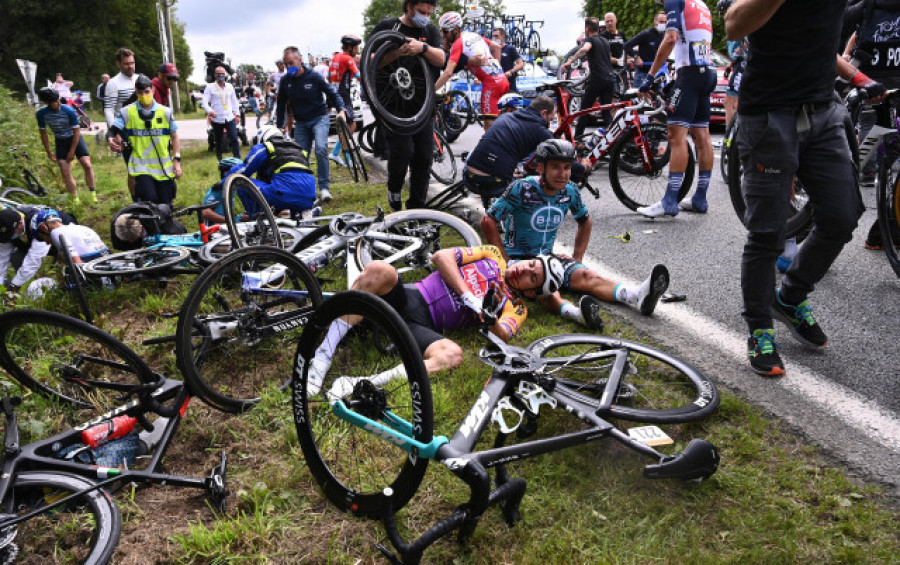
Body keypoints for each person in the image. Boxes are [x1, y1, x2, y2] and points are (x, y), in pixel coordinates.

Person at [725, 0, 884, 376]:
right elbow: (734, 25)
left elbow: (815, 40)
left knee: (842, 216)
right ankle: (760, 327)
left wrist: (859, 78)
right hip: (768, 113)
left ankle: (791, 296)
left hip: (823, 110)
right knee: (767, 232)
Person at [481, 139, 670, 327]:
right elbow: (488, 220)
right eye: (556, 167)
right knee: (547, 287)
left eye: (567, 167)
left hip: (547, 258)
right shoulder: (521, 188)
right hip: (519, 259)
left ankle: (636, 296)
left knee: (586, 275)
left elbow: (585, 221)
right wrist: (503, 260)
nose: (562, 174)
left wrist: (577, 258)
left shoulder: (570, 191)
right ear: (541, 168)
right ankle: (576, 314)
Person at [306, 244, 550, 389]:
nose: (524, 270)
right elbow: (441, 257)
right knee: (380, 270)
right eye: (531, 264)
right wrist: (468, 295)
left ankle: (361, 383)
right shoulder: (493, 255)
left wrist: (489, 315)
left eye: (532, 277)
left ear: (531, 291)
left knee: (452, 355)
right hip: (410, 297)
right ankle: (322, 355)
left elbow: (504, 334)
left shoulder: (517, 306)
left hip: (423, 326)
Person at [636, 0, 717, 217]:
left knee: (675, 136)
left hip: (689, 74)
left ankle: (670, 201)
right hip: (707, 72)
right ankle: (700, 198)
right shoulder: (700, 4)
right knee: (702, 136)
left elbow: (671, 38)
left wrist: (651, 75)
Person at [371, 0, 446, 211]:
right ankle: (394, 191)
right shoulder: (387, 27)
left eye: (429, 13)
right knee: (402, 151)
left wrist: (421, 47)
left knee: (424, 156)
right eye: (421, 11)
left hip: (423, 105)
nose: (425, 16)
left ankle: (417, 207)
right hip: (393, 106)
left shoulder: (429, 31)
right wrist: (397, 53)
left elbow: (441, 59)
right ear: (409, 6)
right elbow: (371, 61)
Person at [841, 0, 900, 249]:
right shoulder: (864, 9)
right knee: (872, 147)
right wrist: (846, 61)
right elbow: (848, 35)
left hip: (876, 87)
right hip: (870, 88)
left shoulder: (864, 7)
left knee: (886, 154)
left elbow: (849, 36)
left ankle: (886, 226)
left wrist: (845, 56)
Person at [276, 46, 347, 204]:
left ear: (300, 61)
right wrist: (279, 126)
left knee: (321, 149)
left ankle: (324, 188)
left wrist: (341, 109)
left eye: (291, 63)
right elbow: (280, 104)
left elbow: (331, 92)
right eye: (285, 64)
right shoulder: (285, 80)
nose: (288, 67)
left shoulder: (313, 76)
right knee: (301, 157)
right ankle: (307, 190)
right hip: (301, 122)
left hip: (319, 118)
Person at [463, 95, 556, 205]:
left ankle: (487, 203)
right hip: (496, 185)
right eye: (551, 119)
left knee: (482, 151)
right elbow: (561, 159)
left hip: (468, 177)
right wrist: (580, 170)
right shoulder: (541, 131)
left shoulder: (506, 117)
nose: (550, 123)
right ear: (544, 113)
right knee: (535, 189)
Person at [108, 74, 183, 206]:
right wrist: (111, 138)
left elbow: (175, 136)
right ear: (136, 92)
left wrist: (176, 161)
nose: (144, 95)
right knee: (150, 201)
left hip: (163, 168)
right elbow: (113, 129)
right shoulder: (127, 112)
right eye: (140, 92)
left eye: (147, 92)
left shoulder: (165, 112)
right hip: (141, 168)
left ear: (153, 90)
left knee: (166, 206)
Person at [222, 125, 317, 219]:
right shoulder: (299, 151)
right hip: (309, 196)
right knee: (282, 183)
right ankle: (300, 214)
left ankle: (259, 220)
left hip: (283, 194)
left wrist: (224, 181)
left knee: (242, 183)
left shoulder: (265, 148)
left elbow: (243, 170)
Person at [434, 11, 509, 131]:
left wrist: (433, 90)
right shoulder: (472, 35)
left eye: (445, 32)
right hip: (502, 80)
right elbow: (496, 47)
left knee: (489, 127)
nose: (443, 35)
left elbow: (448, 72)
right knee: (503, 123)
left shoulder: (458, 44)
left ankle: (495, 149)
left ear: (455, 30)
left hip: (491, 85)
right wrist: (497, 67)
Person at [35, 87, 98, 204]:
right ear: (47, 103)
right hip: (60, 141)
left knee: (87, 164)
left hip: (75, 138)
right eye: (54, 102)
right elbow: (43, 133)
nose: (58, 102)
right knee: (65, 171)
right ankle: (75, 199)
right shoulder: (41, 113)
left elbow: (77, 131)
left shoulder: (68, 110)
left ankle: (93, 192)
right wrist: (48, 151)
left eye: (57, 99)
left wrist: (72, 151)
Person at [0, 206, 76, 296]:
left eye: (11, 234)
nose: (10, 238)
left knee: (64, 266)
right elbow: (2, 259)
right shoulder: (6, 232)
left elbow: (33, 260)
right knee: (16, 257)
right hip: (34, 242)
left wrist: (13, 286)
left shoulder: (38, 224)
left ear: (20, 223)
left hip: (65, 240)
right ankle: (28, 284)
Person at [559, 18, 615, 140]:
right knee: (606, 112)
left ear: (587, 29)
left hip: (597, 79)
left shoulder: (589, 40)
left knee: (584, 110)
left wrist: (570, 61)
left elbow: (584, 49)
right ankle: (615, 139)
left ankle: (578, 138)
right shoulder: (605, 41)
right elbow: (609, 59)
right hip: (610, 79)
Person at [328, 34, 363, 165]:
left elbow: (329, 77)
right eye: (356, 47)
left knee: (346, 126)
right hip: (344, 94)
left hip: (335, 93)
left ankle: (340, 154)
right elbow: (359, 76)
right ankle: (338, 154)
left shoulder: (335, 57)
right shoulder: (348, 59)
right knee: (352, 125)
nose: (357, 50)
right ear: (349, 47)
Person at [32, 210, 109, 265]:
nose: (46, 242)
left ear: (44, 227)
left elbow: (77, 263)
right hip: (106, 257)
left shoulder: (55, 233)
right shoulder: (81, 227)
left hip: (91, 264)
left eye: (42, 237)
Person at [110, 201, 187, 251]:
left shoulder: (153, 216)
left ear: (141, 227)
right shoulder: (116, 228)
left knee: (180, 232)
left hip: (159, 222)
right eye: (127, 239)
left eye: (133, 238)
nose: (130, 241)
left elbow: (165, 208)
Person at [202, 66, 242, 162]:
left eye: (223, 74)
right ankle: (220, 160)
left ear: (225, 75)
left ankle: (238, 160)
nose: (221, 76)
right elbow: (204, 102)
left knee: (234, 138)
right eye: (218, 74)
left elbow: (234, 101)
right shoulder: (210, 87)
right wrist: (210, 111)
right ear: (215, 75)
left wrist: (237, 115)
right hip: (217, 119)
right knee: (218, 141)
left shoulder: (230, 87)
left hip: (229, 117)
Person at [625, 12, 668, 89]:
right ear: (655, 22)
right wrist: (636, 58)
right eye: (661, 22)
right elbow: (627, 46)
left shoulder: (665, 36)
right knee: (639, 100)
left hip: (657, 75)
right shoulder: (646, 34)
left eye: (665, 22)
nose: (663, 24)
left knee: (658, 99)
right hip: (643, 74)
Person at [200, 157, 243, 225]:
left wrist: (239, 217)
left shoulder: (232, 188)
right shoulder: (217, 190)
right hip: (212, 229)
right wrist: (231, 221)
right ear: (226, 173)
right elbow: (205, 212)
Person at [104, 48, 137, 128]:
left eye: (132, 63)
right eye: (126, 64)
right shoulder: (113, 83)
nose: (130, 66)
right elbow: (109, 110)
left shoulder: (140, 78)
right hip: (123, 128)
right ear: (118, 64)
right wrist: (114, 131)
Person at [601, 12, 629, 93]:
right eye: (607, 21)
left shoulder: (621, 34)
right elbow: (603, 55)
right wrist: (616, 60)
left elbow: (626, 48)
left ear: (616, 21)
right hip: (608, 68)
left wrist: (630, 58)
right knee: (614, 92)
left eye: (611, 21)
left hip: (622, 68)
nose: (609, 23)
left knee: (625, 91)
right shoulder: (602, 36)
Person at [492, 28, 524, 93]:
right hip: (495, 84)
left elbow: (521, 64)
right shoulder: (491, 50)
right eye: (493, 36)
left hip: (509, 83)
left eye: (497, 36)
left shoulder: (510, 49)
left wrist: (511, 71)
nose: (495, 38)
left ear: (503, 36)